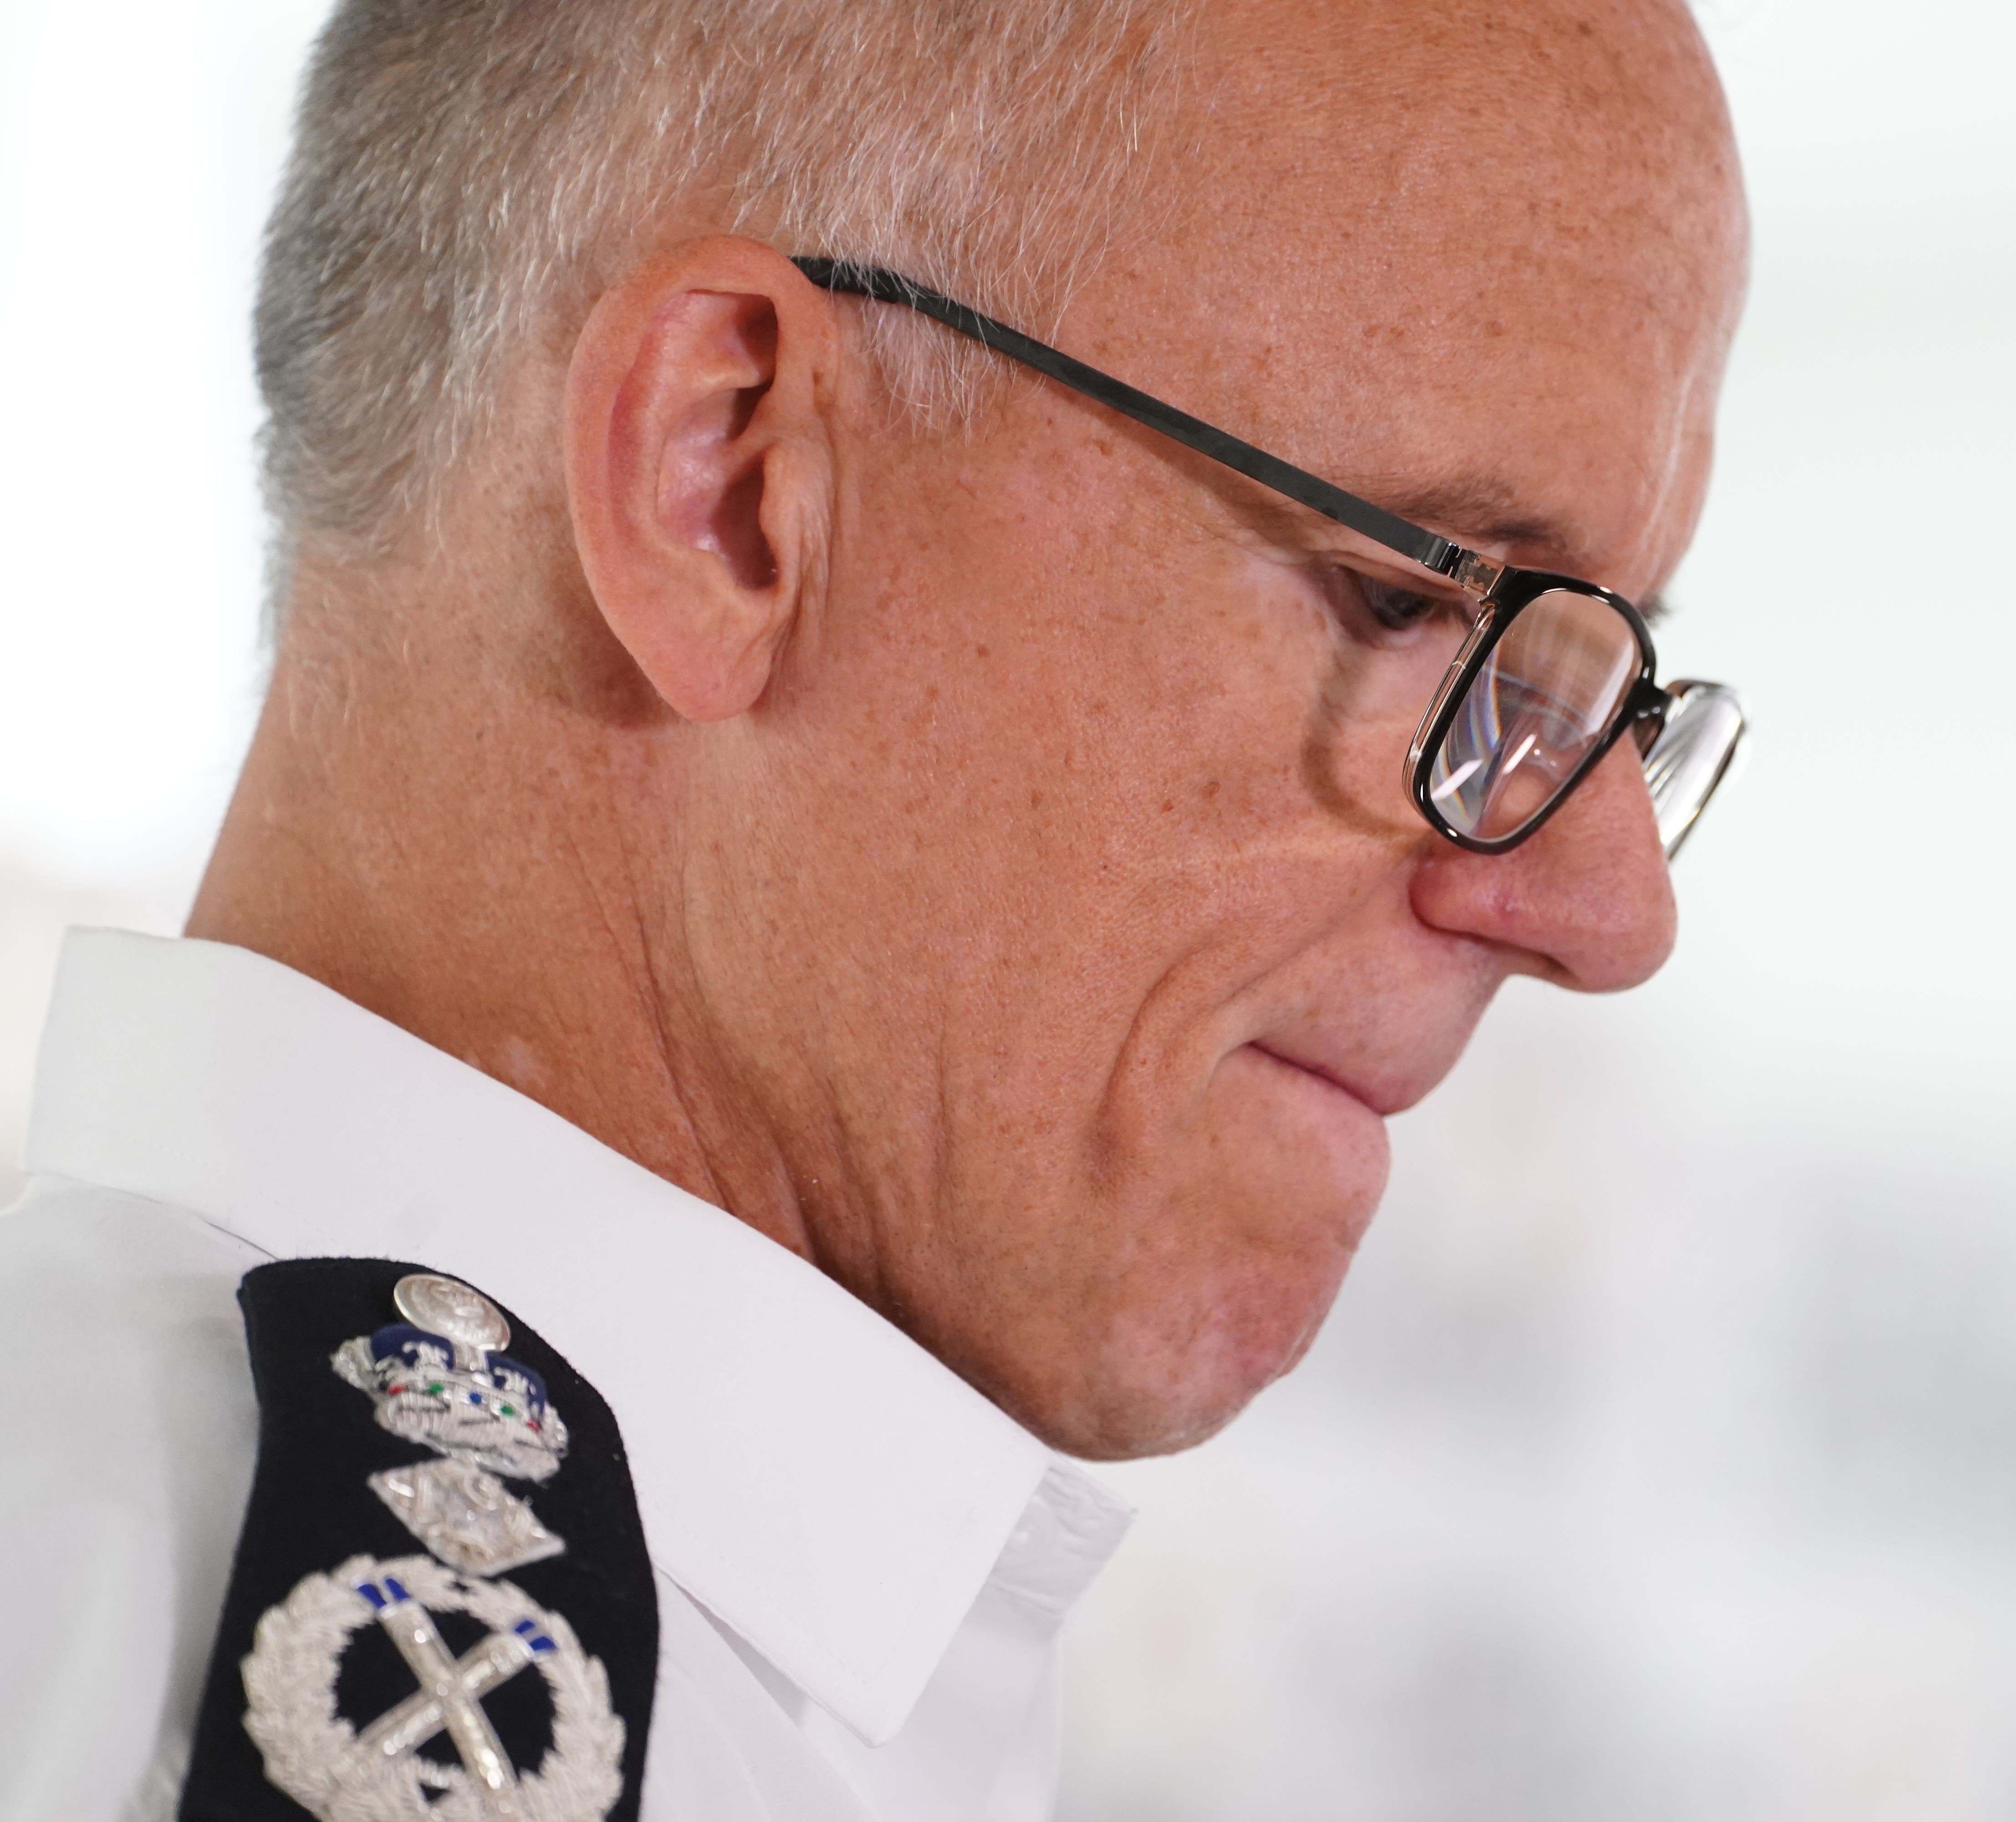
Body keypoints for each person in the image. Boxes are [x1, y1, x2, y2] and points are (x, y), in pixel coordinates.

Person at [0, 0, 1749, 1815]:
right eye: (1413, 603)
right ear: (731, 487)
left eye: (1598, 687)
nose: (1609, 906)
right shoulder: (284, 1706)